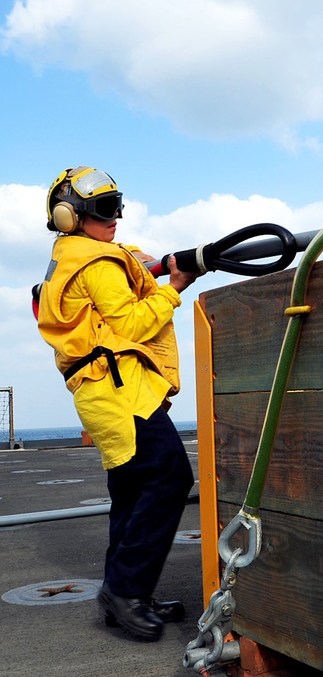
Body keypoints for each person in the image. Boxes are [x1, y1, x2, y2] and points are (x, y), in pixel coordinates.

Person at [36, 166, 203, 641]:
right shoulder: (97, 264)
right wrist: (174, 289)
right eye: (105, 210)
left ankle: (126, 596)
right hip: (117, 389)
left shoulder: (72, 256)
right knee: (170, 477)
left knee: (132, 489)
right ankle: (125, 592)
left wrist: (137, 259)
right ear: (71, 217)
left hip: (102, 390)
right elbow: (130, 324)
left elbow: (116, 268)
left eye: (117, 206)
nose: (116, 218)